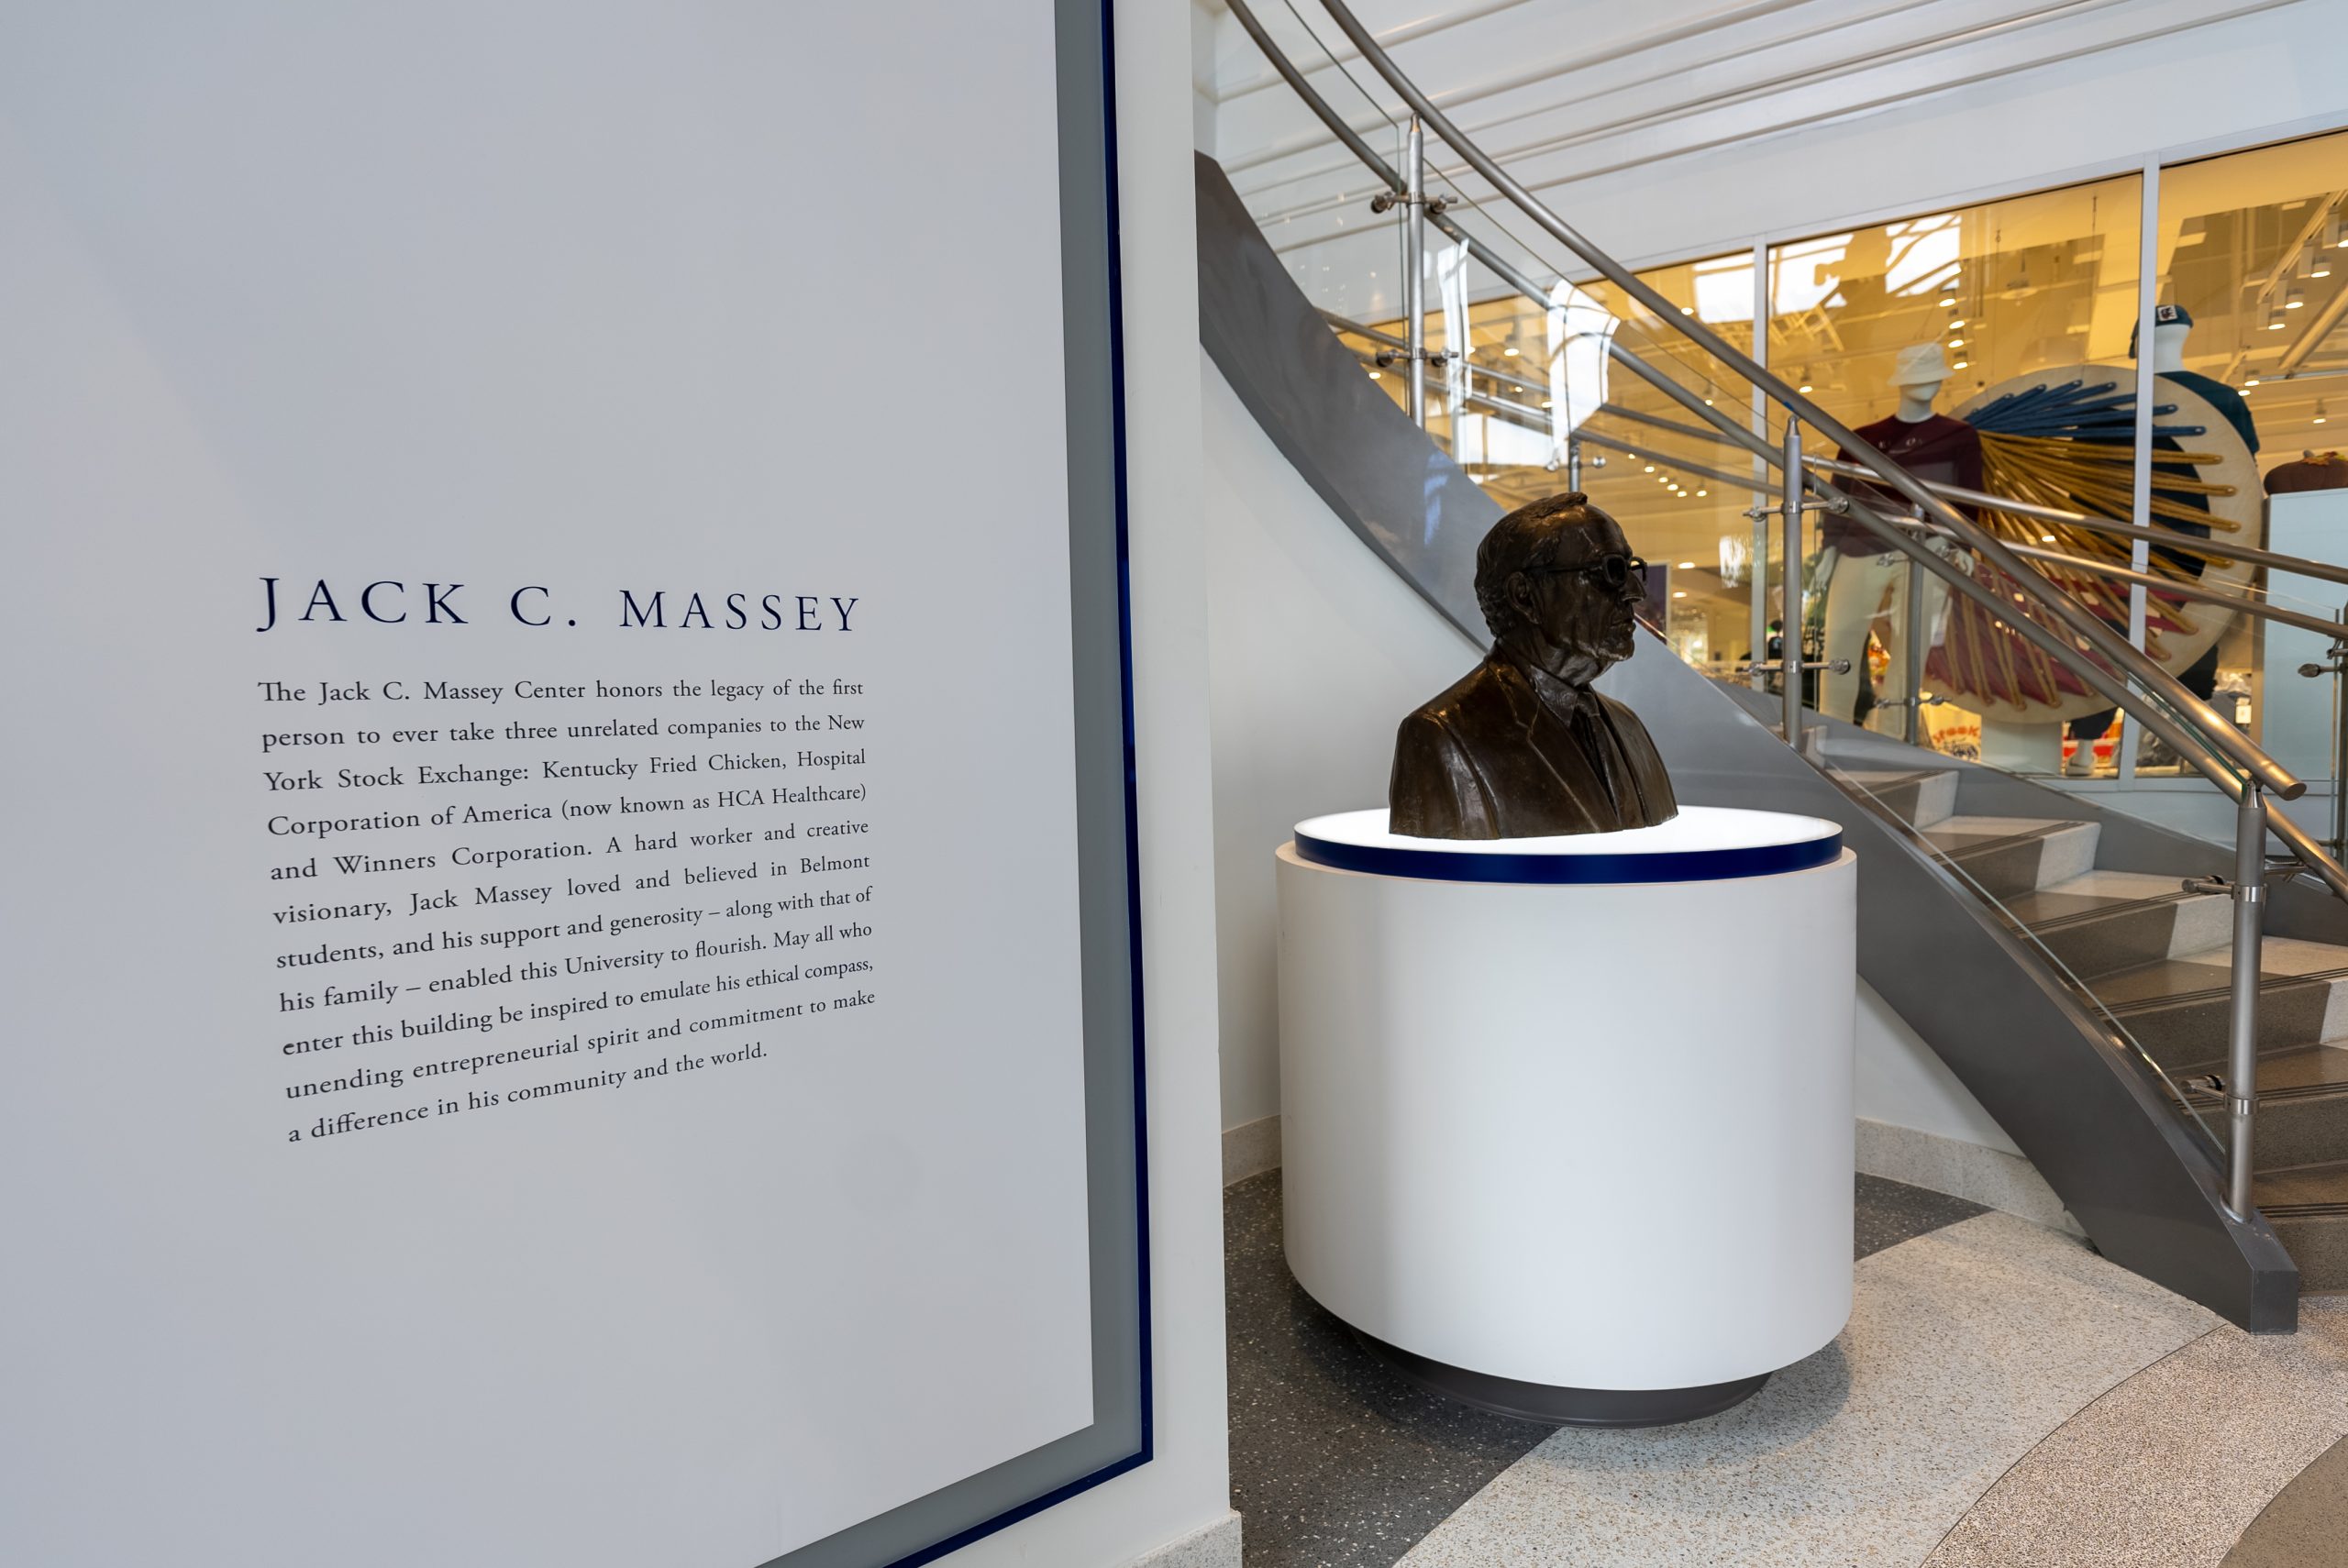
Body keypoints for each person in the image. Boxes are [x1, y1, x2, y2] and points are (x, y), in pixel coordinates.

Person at [1390, 492, 1678, 838]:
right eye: (1609, 571)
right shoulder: (1442, 736)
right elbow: (1438, 884)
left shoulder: (1628, 726)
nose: (1634, 592)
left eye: (1632, 570)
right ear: (1525, 595)